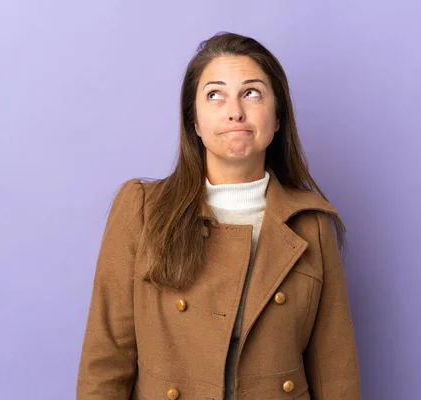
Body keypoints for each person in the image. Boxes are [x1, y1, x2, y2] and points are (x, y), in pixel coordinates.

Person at [76, 31, 361, 400]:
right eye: (215, 94)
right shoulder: (142, 210)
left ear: (277, 118)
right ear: (194, 122)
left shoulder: (311, 224)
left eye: (252, 93)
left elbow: (337, 375)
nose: (235, 110)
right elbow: (105, 360)